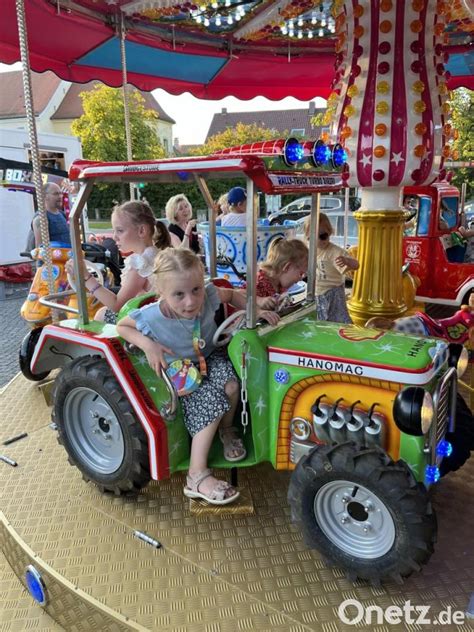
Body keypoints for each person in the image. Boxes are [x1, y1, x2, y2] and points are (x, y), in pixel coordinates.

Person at [116, 248, 279, 506]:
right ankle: (196, 476)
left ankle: (227, 430)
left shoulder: (209, 295)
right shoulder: (152, 316)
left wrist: (255, 307)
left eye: (195, 290)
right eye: (178, 295)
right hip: (181, 369)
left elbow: (233, 295)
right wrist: (149, 346)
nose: (191, 302)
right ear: (162, 292)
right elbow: (122, 326)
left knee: (231, 385)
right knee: (210, 402)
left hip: (209, 355)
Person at [66, 201, 170, 323]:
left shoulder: (140, 263)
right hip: (156, 316)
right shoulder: (156, 254)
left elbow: (117, 305)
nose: (115, 237)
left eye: (120, 230)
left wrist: (87, 278)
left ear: (142, 231)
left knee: (101, 314)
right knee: (102, 311)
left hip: (148, 322)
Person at [304, 213, 359, 323]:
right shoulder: (310, 251)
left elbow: (356, 264)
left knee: (338, 320)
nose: (319, 240)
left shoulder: (334, 251)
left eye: (323, 236)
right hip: (316, 292)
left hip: (333, 292)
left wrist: (347, 261)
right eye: (314, 237)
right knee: (319, 321)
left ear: (330, 233)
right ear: (308, 236)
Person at [31, 182, 71, 248]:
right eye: (56, 194)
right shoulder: (41, 218)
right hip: (54, 257)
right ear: (45, 196)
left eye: (61, 193)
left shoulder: (62, 214)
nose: (60, 196)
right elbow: (40, 249)